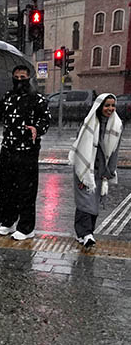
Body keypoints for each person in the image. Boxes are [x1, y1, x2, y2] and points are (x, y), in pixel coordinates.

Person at [0, 65, 51, 241]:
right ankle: (7, 221)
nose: (19, 81)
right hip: (7, 150)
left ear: (29, 78)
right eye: (16, 77)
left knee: (26, 190)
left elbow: (46, 120)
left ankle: (26, 228)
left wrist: (37, 129)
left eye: (22, 77)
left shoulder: (38, 99)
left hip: (27, 152)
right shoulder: (9, 97)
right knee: (6, 189)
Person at [68, 93, 122, 248]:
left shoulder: (117, 125)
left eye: (112, 105)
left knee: (93, 202)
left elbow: (114, 151)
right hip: (84, 169)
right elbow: (81, 145)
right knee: (85, 201)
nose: (110, 109)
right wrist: (84, 168)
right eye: (107, 105)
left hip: (101, 170)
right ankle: (86, 234)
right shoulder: (89, 123)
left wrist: (110, 170)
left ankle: (85, 232)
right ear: (99, 106)